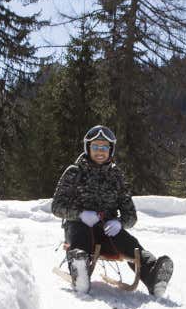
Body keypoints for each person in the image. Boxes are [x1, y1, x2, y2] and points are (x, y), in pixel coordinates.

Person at [51, 125, 174, 297]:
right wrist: (79, 214)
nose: (100, 151)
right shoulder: (74, 172)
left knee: (128, 242)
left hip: (106, 229)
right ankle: (80, 268)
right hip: (79, 226)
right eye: (95, 147)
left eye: (104, 147)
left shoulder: (117, 176)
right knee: (81, 237)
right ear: (88, 148)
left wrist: (120, 223)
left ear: (111, 150)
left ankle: (153, 273)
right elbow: (56, 207)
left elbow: (131, 215)